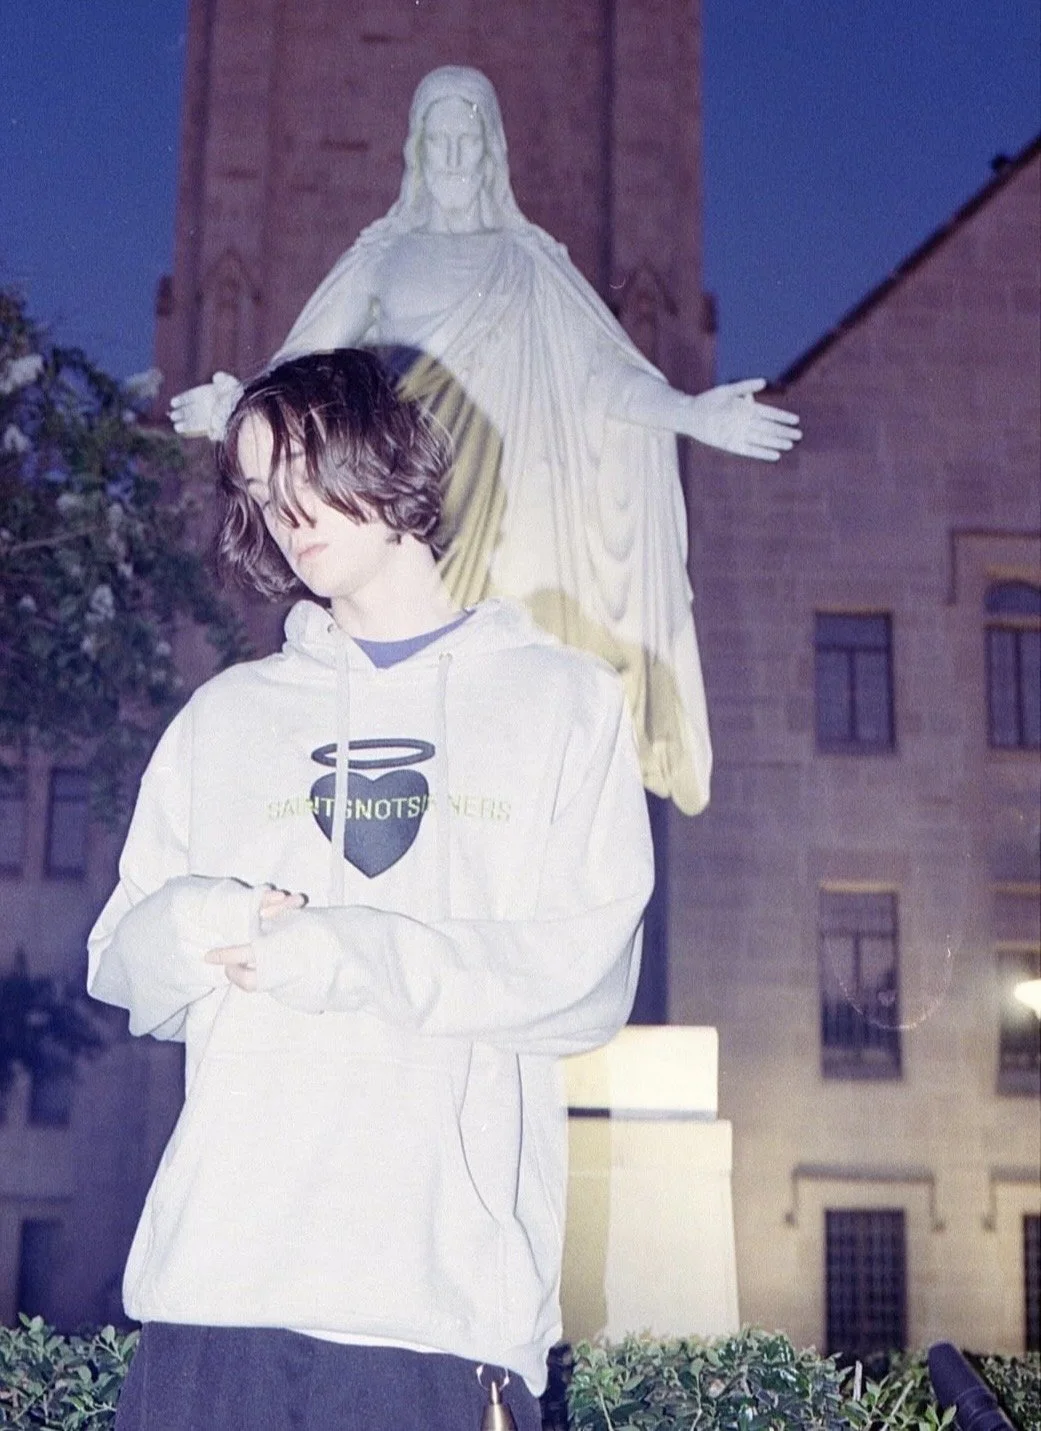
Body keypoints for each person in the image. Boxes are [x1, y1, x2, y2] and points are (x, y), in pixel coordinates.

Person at [89, 348, 653, 1430]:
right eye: (260, 490)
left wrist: (353, 957)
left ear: (389, 450)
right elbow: (122, 967)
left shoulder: (559, 704)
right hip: (215, 1293)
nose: (286, 511)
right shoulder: (225, 718)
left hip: (433, 1317)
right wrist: (205, 918)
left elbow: (585, 982)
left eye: (303, 467)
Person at [172, 65, 801, 817]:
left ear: (489, 148)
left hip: (516, 508)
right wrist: (237, 403)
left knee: (500, 684)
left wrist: (693, 415)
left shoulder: (531, 264)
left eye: (465, 136)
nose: (450, 153)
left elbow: (601, 380)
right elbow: (302, 369)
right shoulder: (382, 256)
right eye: (436, 137)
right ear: (416, 149)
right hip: (410, 500)